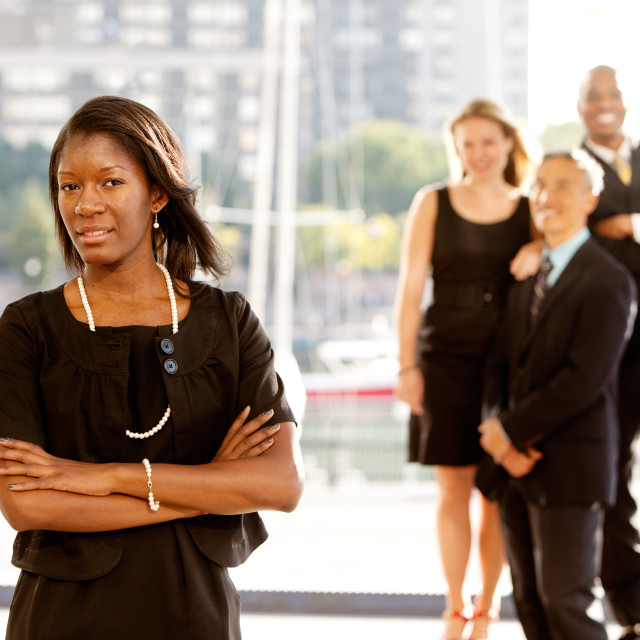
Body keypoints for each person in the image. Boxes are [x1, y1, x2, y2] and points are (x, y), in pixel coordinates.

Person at [0, 95, 304, 639]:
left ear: (157, 192)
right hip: (60, 621)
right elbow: (27, 504)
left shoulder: (228, 322)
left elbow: (280, 484)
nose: (85, 204)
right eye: (69, 186)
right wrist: (208, 485)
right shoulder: (25, 328)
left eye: (110, 182)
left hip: (195, 617)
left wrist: (102, 479)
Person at [478, 150, 636, 640]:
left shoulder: (610, 281)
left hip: (571, 465)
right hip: (513, 469)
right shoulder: (524, 279)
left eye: (563, 185)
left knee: (566, 605)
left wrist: (509, 431)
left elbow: (584, 379)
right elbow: (498, 367)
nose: (547, 196)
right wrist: (496, 433)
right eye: (540, 185)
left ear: (590, 199)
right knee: (530, 605)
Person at [394, 98, 536, 639]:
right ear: (456, 149)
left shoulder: (529, 208)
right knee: (452, 489)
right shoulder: (433, 201)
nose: (478, 153)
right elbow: (410, 291)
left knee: (494, 488)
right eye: (467, 144)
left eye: (488, 142)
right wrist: (406, 365)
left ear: (507, 144)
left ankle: (488, 607)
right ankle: (455, 606)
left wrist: (539, 245)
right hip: (444, 358)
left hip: (507, 365)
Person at [578, 65, 640, 640]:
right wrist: (609, 229)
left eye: (613, 94)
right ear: (579, 107)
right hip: (608, 353)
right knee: (613, 472)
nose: (604, 104)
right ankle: (632, 606)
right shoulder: (569, 171)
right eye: (593, 95)